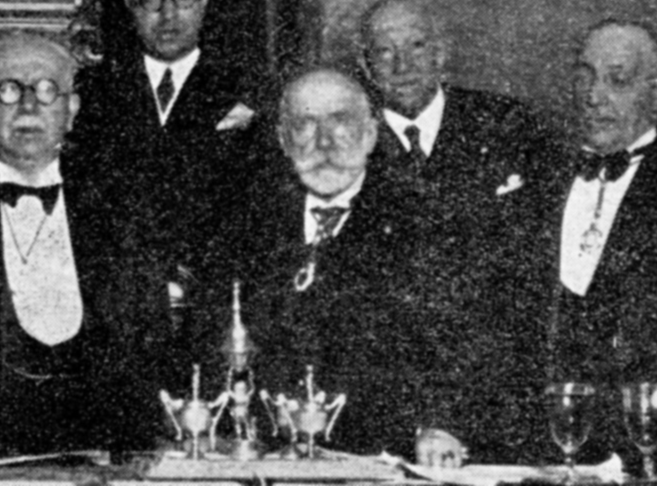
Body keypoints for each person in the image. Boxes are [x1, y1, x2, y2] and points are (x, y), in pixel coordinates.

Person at [211, 68, 529, 463]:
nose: (324, 142)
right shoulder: (244, 227)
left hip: (382, 461)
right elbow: (210, 353)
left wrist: (440, 426)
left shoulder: (431, 224)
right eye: (305, 125)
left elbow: (470, 353)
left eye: (340, 122)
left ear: (370, 133)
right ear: (282, 139)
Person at [0, 33, 180, 457]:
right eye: (9, 90)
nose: (29, 106)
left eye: (48, 90)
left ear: (72, 110)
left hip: (104, 458)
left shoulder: (123, 212)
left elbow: (151, 348)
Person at [503, 20, 657, 472]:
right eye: (584, 76)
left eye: (617, 80)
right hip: (532, 456)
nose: (593, 96)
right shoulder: (532, 184)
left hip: (656, 457)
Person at [70, 0, 272, 287]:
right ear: (129, 3)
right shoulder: (89, 92)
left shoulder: (249, 89)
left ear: (205, 1)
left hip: (215, 286)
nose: (168, 13)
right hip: (116, 286)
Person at [355, 0, 552, 239]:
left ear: (440, 53)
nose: (402, 66)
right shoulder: (349, 141)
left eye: (417, 46)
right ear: (365, 65)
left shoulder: (505, 121)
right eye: (384, 51)